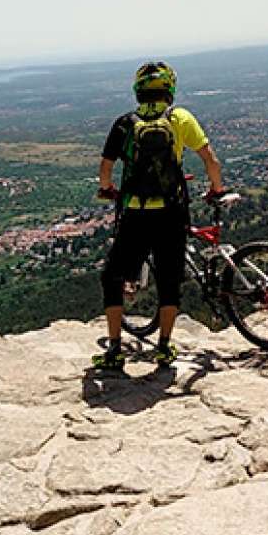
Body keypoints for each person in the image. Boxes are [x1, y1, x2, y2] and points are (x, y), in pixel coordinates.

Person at [92, 61, 226, 370]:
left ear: (138, 90)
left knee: (112, 276)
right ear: (170, 89)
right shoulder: (180, 118)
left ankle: (115, 350)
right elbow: (211, 160)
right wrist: (216, 189)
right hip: (172, 213)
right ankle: (164, 348)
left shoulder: (125, 123)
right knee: (170, 279)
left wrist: (108, 190)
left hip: (137, 214)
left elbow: (105, 170)